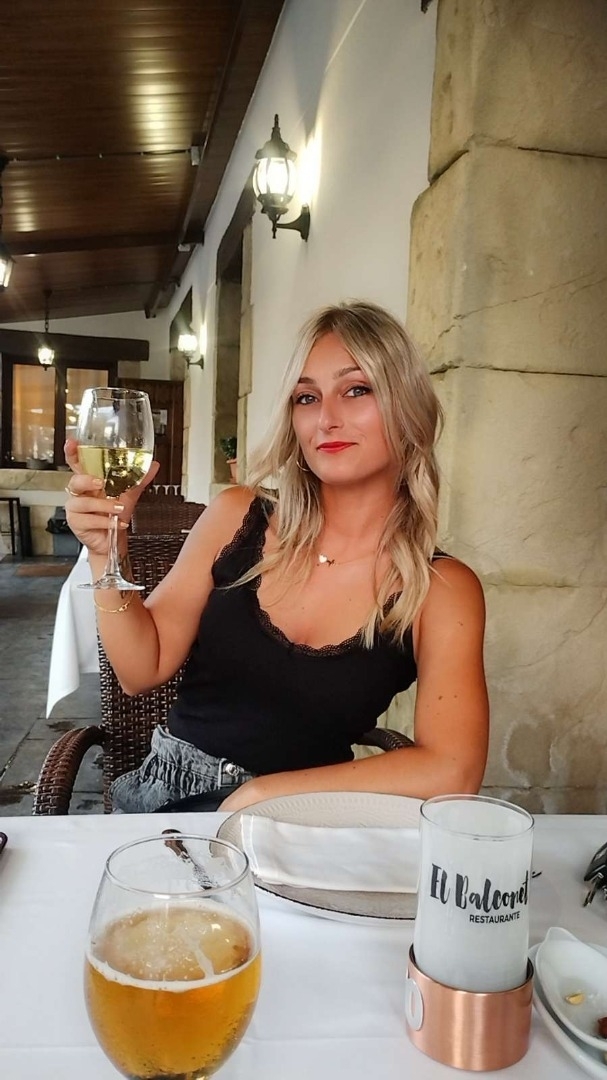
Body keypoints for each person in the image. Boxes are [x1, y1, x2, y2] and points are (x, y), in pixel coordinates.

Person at [64, 300, 489, 813]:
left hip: (308, 818)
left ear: (407, 406)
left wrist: (263, 794)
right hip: (169, 804)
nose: (326, 419)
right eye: (307, 398)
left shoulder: (442, 589)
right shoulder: (236, 516)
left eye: (357, 390)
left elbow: (453, 769)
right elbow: (140, 669)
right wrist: (106, 553)